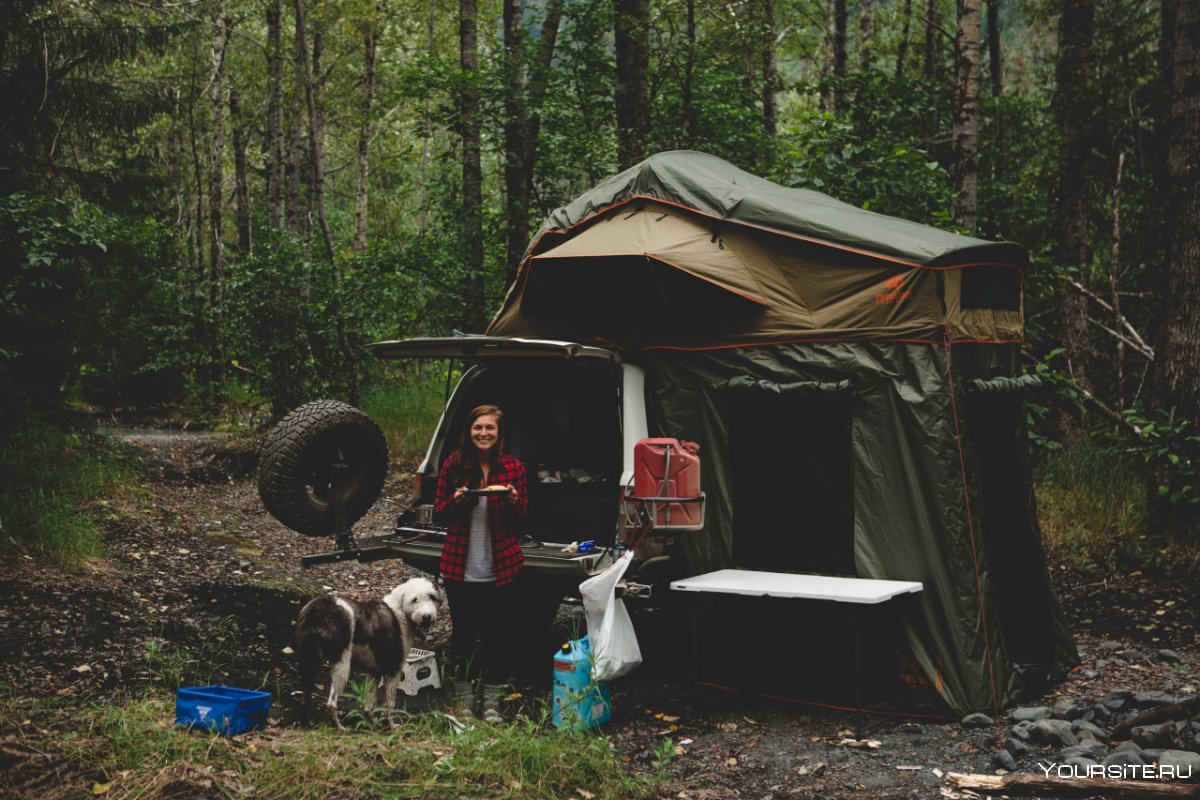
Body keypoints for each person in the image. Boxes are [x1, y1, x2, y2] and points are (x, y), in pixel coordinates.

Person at [432, 404, 527, 721]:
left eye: (490, 428)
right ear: (469, 432)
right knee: (462, 636)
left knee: (498, 636)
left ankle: (491, 702)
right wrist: (455, 502)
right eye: (478, 428)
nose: (483, 433)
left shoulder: (514, 469)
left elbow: (522, 519)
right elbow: (439, 513)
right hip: (460, 566)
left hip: (502, 566)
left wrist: (513, 502)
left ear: (499, 434)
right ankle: (463, 699)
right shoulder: (452, 465)